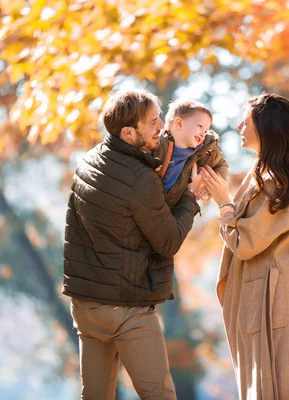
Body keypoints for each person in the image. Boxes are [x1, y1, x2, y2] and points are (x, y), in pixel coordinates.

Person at [62, 89, 202, 399]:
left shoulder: (87, 162)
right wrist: (191, 198)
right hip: (126, 308)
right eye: (152, 122)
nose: (161, 127)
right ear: (128, 132)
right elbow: (168, 241)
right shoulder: (140, 178)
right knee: (159, 395)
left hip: (87, 305)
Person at [200, 93, 289, 399]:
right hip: (262, 299)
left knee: (280, 387)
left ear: (265, 127)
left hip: (273, 304)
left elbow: (246, 242)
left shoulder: (282, 181)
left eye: (248, 119)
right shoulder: (263, 174)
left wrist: (223, 204)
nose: (240, 124)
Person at [151, 98, 229, 207]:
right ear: (179, 124)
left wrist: (212, 186)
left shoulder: (205, 151)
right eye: (200, 126)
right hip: (150, 205)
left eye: (206, 131)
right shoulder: (156, 145)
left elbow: (221, 164)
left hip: (174, 210)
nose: (203, 134)